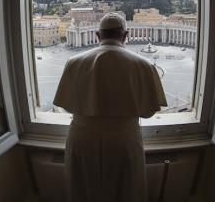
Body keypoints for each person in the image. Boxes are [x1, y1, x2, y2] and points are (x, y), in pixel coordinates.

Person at [53, 12, 167, 202]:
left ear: (98, 36)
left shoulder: (73, 62)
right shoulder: (145, 65)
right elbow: (149, 112)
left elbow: (66, 106)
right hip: (124, 140)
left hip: (82, 138)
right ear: (125, 36)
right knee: (126, 190)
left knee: (83, 189)